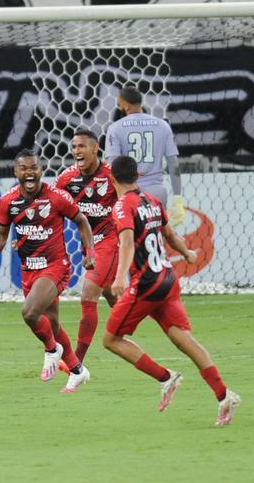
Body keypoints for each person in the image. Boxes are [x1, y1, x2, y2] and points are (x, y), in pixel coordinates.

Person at [101, 155, 241, 426]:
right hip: (168, 279)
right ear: (138, 177)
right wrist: (186, 253)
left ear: (112, 179)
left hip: (146, 284)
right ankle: (224, 395)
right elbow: (170, 235)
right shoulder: (152, 202)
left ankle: (165, 377)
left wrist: (119, 278)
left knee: (111, 340)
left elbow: (127, 243)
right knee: (184, 340)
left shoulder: (122, 206)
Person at [0, 148, 97, 393]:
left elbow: (81, 221)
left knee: (30, 313)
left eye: (34, 168)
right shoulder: (8, 201)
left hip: (56, 267)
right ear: (16, 171)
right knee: (51, 323)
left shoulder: (56, 197)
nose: (29, 172)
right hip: (29, 269)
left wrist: (90, 252)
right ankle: (77, 371)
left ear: (41, 171)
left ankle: (52, 351)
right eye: (24, 168)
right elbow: (1, 235)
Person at [55, 128, 118, 364]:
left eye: (81, 146)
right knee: (111, 293)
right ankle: (130, 316)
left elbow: (130, 204)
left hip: (111, 242)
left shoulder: (112, 175)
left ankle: (76, 363)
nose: (76, 151)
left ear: (95, 148)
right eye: (73, 147)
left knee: (88, 296)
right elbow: (51, 209)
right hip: (89, 244)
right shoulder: (66, 179)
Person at [104, 86, 186, 227]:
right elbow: (173, 163)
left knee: (129, 241)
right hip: (157, 194)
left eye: (119, 104)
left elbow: (112, 164)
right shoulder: (162, 126)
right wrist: (178, 198)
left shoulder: (115, 128)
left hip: (129, 194)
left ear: (125, 105)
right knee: (155, 242)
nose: (119, 107)